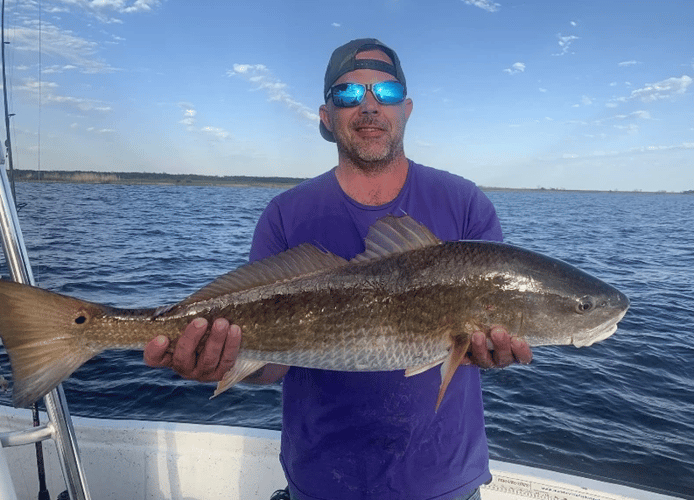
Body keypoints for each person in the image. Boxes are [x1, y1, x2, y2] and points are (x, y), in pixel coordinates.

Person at [144, 38, 532, 500]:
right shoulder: (285, 214)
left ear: (406, 108)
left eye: (384, 94)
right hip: (318, 482)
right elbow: (272, 365)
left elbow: (489, 333)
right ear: (326, 117)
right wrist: (221, 360)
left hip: (444, 482)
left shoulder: (466, 204)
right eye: (348, 95)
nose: (369, 106)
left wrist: (494, 353)